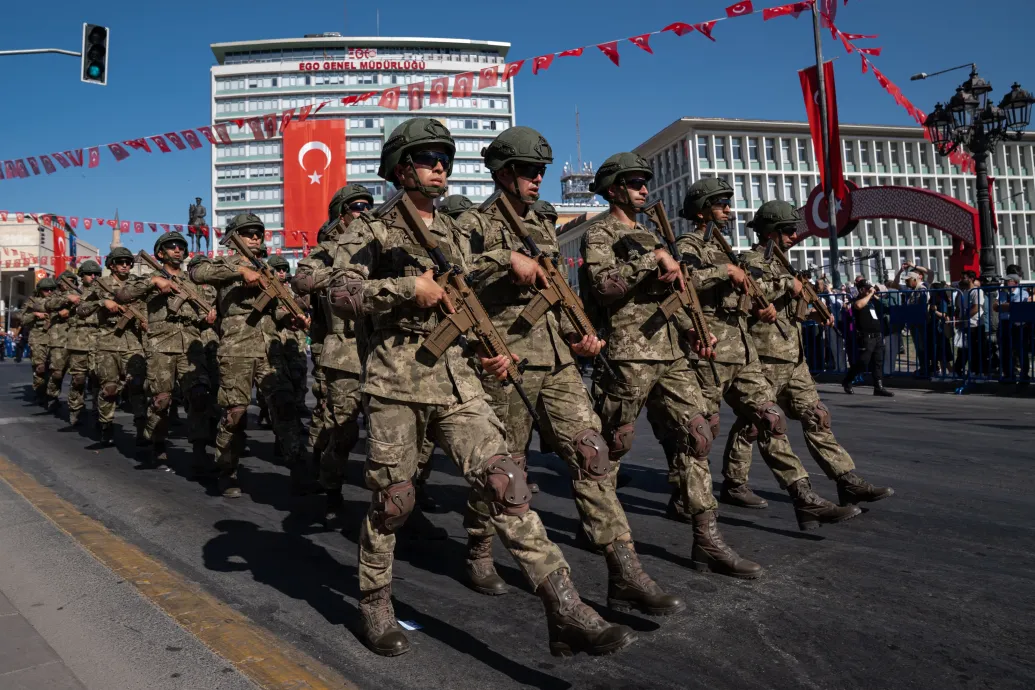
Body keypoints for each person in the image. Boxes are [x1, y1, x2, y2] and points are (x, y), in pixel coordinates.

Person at [324, 117, 635, 657]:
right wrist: (406, 286)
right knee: (393, 501)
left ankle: (564, 606)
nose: (440, 166)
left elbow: (470, 292)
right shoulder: (371, 228)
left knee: (505, 482)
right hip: (399, 381)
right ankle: (375, 603)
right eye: (427, 158)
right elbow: (337, 292)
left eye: (444, 157)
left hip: (459, 381)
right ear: (402, 169)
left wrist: (487, 348)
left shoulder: (452, 230)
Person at [455, 131, 683, 614]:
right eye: (527, 170)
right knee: (504, 468)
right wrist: (503, 261)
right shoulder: (472, 223)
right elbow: (455, 274)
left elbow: (555, 292)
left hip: (557, 359)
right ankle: (478, 546)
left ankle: (624, 568)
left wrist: (578, 334)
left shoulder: (542, 227)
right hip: (505, 360)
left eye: (541, 170)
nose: (537, 178)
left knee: (593, 451)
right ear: (502, 174)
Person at [580, 158, 759, 576]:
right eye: (635, 183)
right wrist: (652, 260)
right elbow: (604, 288)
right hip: (627, 353)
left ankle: (706, 539)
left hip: (671, 352)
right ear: (613, 190)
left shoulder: (652, 235)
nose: (644, 189)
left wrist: (693, 331)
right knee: (613, 445)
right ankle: (598, 525)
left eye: (646, 182)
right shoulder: (600, 233)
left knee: (696, 435)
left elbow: (673, 293)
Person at [677, 181, 862, 532]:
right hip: (709, 353)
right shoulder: (689, 245)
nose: (728, 210)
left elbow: (736, 299)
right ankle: (682, 494)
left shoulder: (723, 246)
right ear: (701, 209)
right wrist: (727, 273)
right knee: (699, 431)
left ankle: (804, 498)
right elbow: (683, 281)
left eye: (728, 204)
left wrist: (755, 304)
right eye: (720, 204)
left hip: (742, 350)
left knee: (771, 419)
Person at [720, 201, 893, 513]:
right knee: (757, 423)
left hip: (794, 357)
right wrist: (791, 284)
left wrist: (813, 311)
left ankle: (846, 479)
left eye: (793, 230)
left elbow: (786, 309)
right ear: (770, 232)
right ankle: (737, 482)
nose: (792, 236)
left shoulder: (786, 264)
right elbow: (750, 288)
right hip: (765, 358)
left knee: (817, 416)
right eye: (787, 230)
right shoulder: (751, 259)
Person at [189, 213, 311, 497]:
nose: (255, 236)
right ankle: (227, 470)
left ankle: (299, 467)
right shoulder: (223, 264)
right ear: (234, 237)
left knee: (284, 406)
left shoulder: (269, 271)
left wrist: (291, 318)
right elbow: (197, 273)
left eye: (258, 232)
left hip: (270, 350)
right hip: (236, 350)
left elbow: (277, 308)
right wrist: (239, 272)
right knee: (235, 413)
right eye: (247, 232)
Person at [292, 183, 373, 521]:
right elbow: (304, 281)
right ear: (341, 215)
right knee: (343, 429)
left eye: (368, 206)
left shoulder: (375, 246)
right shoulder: (325, 251)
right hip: (345, 353)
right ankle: (332, 490)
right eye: (357, 207)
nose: (364, 213)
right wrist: (347, 273)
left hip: (384, 349)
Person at [116, 232, 216, 471]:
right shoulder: (149, 279)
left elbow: (200, 318)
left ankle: (200, 450)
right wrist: (152, 283)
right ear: (160, 253)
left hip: (191, 348)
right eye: (171, 247)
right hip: (161, 347)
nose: (177, 250)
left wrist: (209, 318)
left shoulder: (192, 283)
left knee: (199, 396)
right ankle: (157, 442)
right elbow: (121, 295)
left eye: (180, 246)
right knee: (161, 401)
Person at [77, 248, 149, 446]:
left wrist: (146, 321)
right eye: (120, 261)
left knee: (137, 386)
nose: (125, 264)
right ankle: (105, 425)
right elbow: (81, 309)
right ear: (111, 265)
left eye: (127, 261)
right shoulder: (101, 285)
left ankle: (142, 429)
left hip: (133, 342)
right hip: (107, 343)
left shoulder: (137, 283)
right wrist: (102, 302)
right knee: (109, 388)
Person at [59, 261, 102, 427]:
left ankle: (100, 413)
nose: (94, 277)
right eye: (90, 274)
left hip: (99, 338)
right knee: (78, 379)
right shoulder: (73, 292)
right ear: (82, 275)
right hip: (79, 339)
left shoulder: (103, 290)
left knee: (99, 379)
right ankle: (76, 410)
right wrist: (67, 299)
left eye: (96, 274)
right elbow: (50, 302)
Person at [266, 255, 310, 417]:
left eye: (284, 269)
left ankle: (299, 406)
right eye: (278, 270)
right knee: (277, 380)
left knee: (299, 373)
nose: (282, 272)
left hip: (295, 338)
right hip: (276, 338)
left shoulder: (292, 288)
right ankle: (269, 411)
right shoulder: (266, 288)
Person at [842, 280, 894, 396]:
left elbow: (884, 307)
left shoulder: (872, 301)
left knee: (878, 362)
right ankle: (848, 380)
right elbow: (858, 305)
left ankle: (878, 387)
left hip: (877, 336)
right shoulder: (857, 301)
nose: (869, 290)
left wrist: (874, 296)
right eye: (866, 288)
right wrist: (869, 294)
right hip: (866, 337)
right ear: (861, 290)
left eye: (869, 288)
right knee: (863, 361)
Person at [43, 270, 80, 412]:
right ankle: (52, 395)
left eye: (71, 281)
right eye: (65, 281)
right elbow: (47, 305)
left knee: (78, 376)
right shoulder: (55, 296)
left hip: (77, 339)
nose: (68, 284)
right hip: (59, 340)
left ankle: (75, 406)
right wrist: (67, 299)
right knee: (57, 373)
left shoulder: (80, 294)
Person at [23, 278, 56, 404]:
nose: (49, 292)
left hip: (56, 338)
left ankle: (52, 394)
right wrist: (35, 315)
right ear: (39, 290)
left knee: (55, 369)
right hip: (38, 337)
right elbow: (22, 318)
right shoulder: (32, 301)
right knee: (40, 368)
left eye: (52, 289)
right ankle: (40, 391)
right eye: (46, 289)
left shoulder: (58, 301)